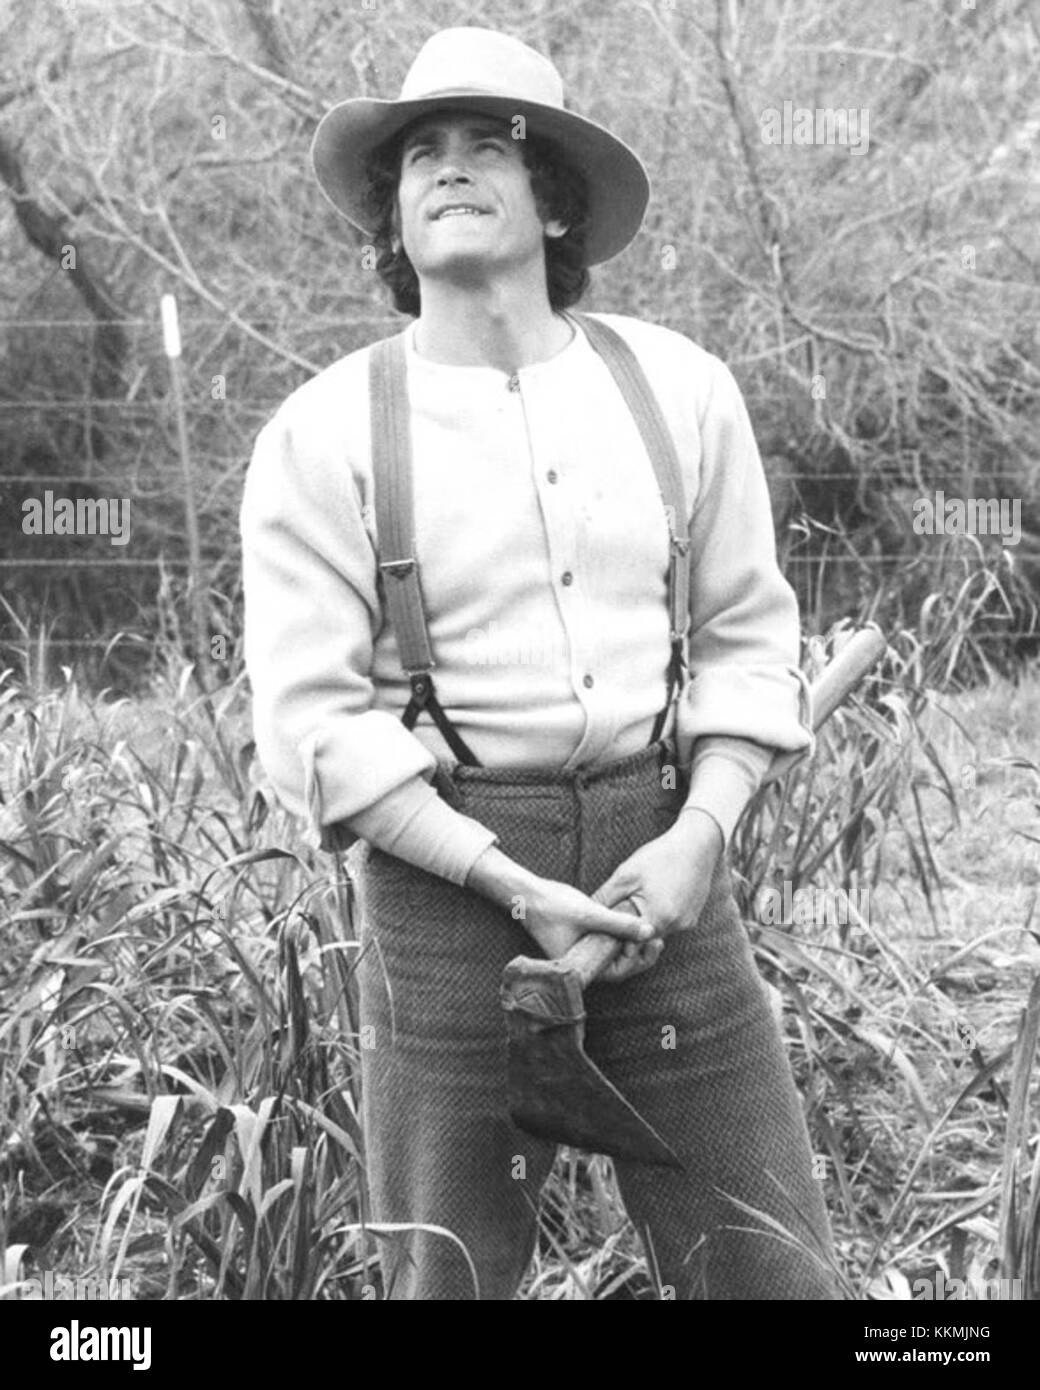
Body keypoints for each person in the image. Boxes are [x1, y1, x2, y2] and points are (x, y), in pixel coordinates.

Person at [240, 26, 839, 1301]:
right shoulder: (321, 434)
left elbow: (745, 636)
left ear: (554, 196)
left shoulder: (679, 389)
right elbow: (312, 720)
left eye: (486, 143)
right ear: (391, 220)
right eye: (419, 155)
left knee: (772, 1269)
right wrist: (503, 877)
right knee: (447, 1280)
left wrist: (702, 832)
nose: (448, 169)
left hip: (663, 877)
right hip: (446, 887)